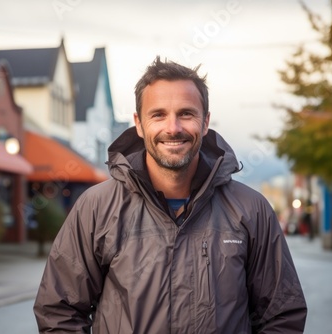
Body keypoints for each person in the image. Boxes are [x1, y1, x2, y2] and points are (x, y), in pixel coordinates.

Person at [33, 57, 307, 333]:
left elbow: (282, 314)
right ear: (139, 124)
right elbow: (59, 311)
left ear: (205, 122)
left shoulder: (251, 210)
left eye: (186, 113)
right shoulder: (96, 208)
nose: (173, 128)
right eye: (158, 114)